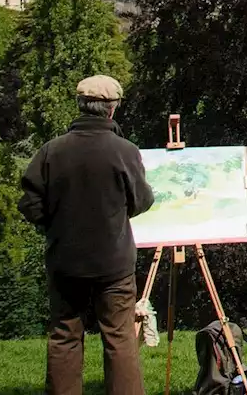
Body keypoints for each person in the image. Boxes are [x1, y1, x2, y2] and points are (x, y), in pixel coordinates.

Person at [19, 75, 156, 395]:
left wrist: (54, 226)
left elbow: (29, 203)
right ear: (112, 109)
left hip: (65, 260)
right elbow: (142, 201)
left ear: (80, 105)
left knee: (64, 337)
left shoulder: (52, 151)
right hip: (114, 264)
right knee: (120, 338)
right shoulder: (124, 151)